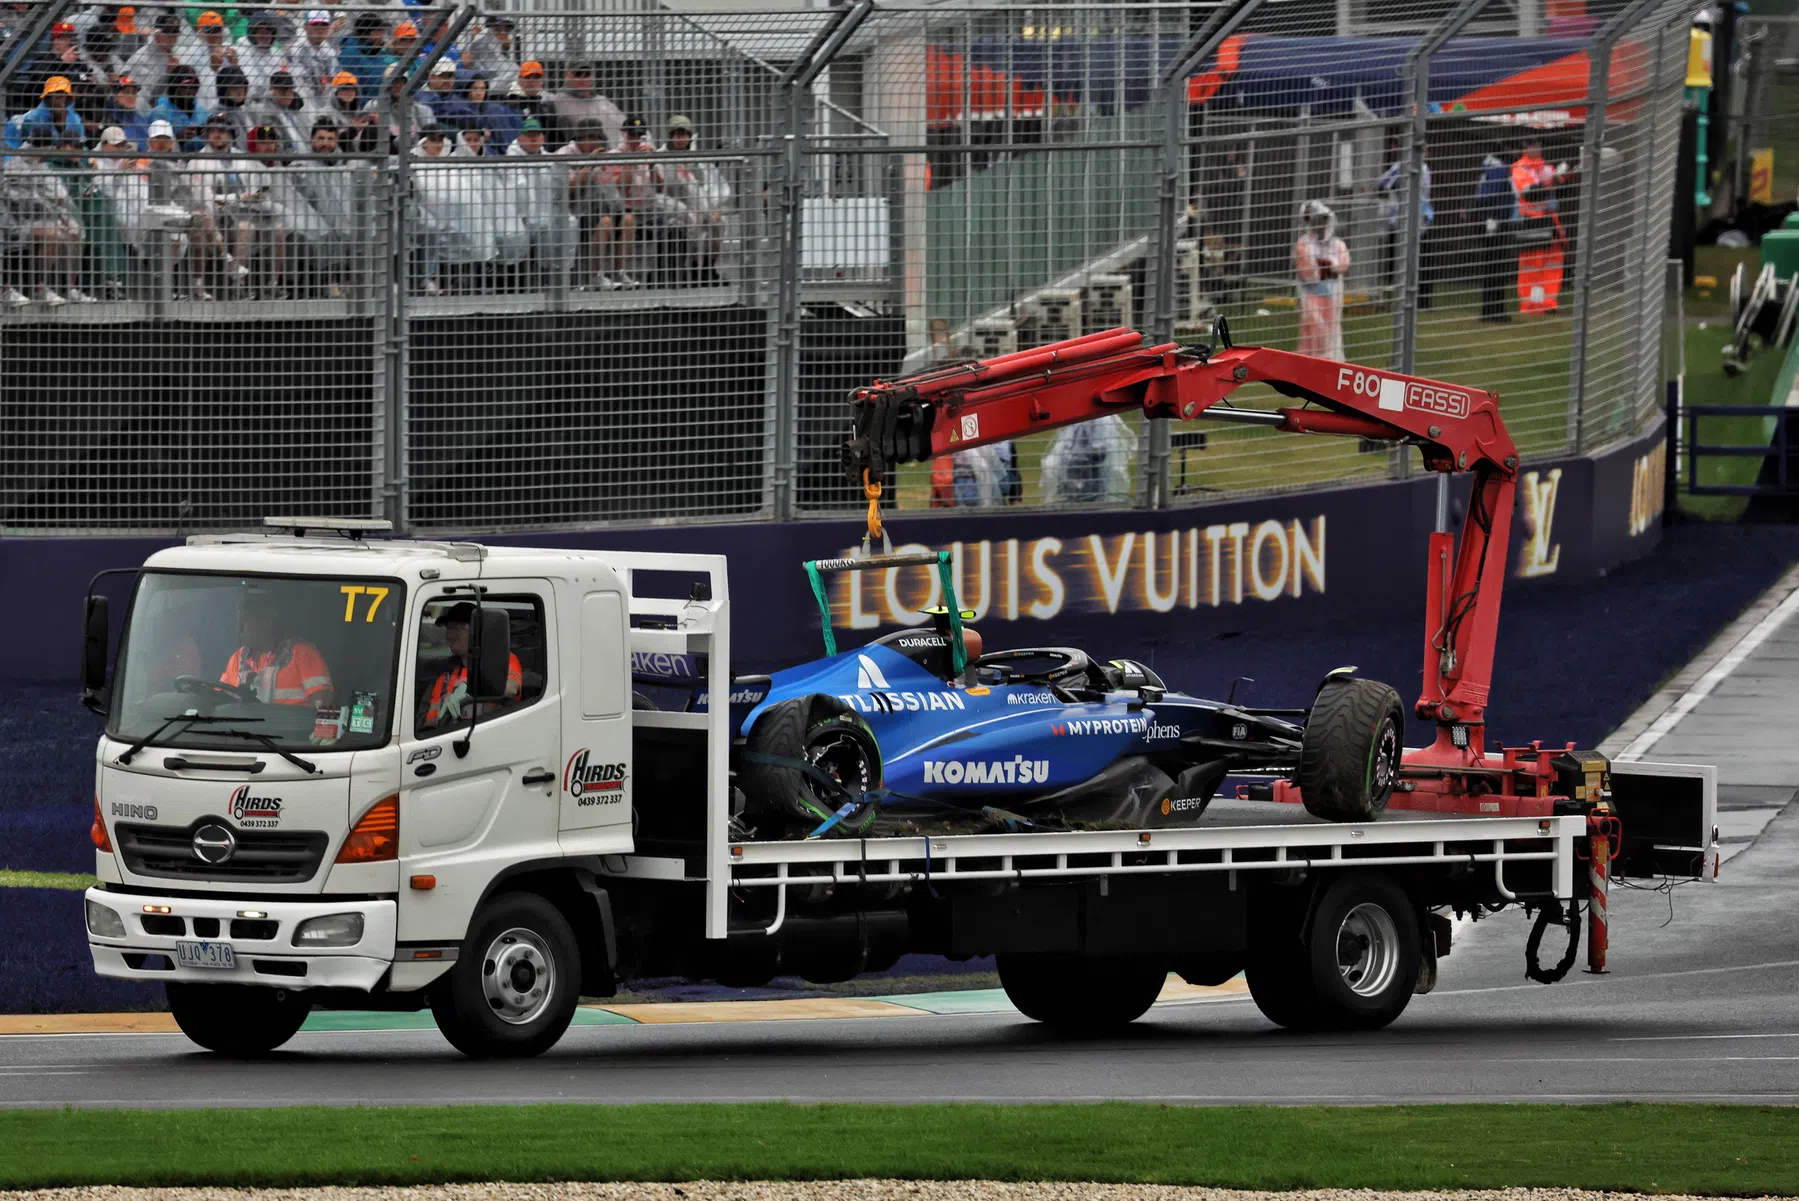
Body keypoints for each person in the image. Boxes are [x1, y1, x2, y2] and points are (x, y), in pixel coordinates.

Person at [220, 589, 337, 741]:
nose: (239, 630)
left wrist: (325, 732)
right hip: (245, 742)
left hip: (293, 744)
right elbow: (220, 699)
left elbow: (326, 700)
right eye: (239, 623)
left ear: (267, 622)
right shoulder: (238, 658)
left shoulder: (302, 653)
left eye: (245, 623)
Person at [2, 127, 95, 305]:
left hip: (45, 217)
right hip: (20, 220)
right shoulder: (16, 165)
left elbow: (60, 196)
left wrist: (61, 214)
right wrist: (50, 205)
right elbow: (17, 200)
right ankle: (41, 288)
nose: (52, 150)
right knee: (53, 233)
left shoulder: (43, 165)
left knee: (75, 230)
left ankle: (70, 288)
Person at [420, 601, 521, 727]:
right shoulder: (445, 676)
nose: (449, 635)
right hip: (450, 740)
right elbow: (430, 723)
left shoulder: (502, 659)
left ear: (478, 631)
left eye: (457, 628)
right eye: (448, 628)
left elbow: (511, 688)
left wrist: (469, 688)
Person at [656, 114, 730, 286]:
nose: (680, 139)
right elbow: (660, 189)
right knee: (690, 221)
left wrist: (713, 208)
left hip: (700, 206)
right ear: (670, 136)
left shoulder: (699, 158)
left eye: (684, 134)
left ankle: (706, 268)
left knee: (718, 224)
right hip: (672, 208)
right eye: (676, 134)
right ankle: (687, 268)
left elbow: (713, 184)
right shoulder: (661, 157)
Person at [557, 116, 624, 289]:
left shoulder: (606, 154)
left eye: (596, 138)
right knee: (605, 221)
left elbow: (616, 187)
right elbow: (569, 189)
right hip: (571, 211)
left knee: (627, 219)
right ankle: (596, 276)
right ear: (580, 138)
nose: (593, 142)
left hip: (600, 207)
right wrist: (590, 164)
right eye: (589, 137)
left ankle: (621, 274)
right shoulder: (565, 154)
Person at [1511, 137, 1569, 315]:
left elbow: (1561, 190)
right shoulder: (1519, 169)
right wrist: (1550, 181)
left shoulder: (1546, 168)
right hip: (1532, 222)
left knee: (1552, 264)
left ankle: (1549, 302)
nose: (1538, 148)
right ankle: (1531, 305)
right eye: (1534, 145)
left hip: (1551, 222)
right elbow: (1529, 194)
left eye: (1539, 145)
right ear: (1525, 148)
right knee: (1531, 266)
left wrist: (1560, 178)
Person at [1377, 147, 1433, 309]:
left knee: (1416, 261)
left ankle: (1417, 300)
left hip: (1416, 220)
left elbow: (1382, 185)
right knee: (1405, 261)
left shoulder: (1420, 168)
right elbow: (1383, 186)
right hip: (1405, 221)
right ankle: (1405, 299)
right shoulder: (1403, 167)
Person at [1293, 198, 1348, 361]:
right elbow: (1308, 271)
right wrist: (1329, 266)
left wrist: (1326, 266)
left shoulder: (1337, 244)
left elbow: (1342, 264)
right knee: (1312, 329)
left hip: (1332, 295)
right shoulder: (1304, 243)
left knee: (1332, 332)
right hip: (1311, 294)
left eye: (1324, 219)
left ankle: (1331, 363)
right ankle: (1308, 363)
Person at [1471, 148, 1515, 323]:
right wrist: (1491, 217)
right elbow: (1491, 195)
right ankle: (1493, 311)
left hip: (1490, 220)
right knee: (1496, 267)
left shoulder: (1490, 167)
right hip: (1495, 221)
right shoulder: (1498, 169)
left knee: (1493, 266)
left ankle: (1492, 310)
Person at [550, 61, 623, 150]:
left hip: (611, 154)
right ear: (568, 76)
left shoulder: (602, 101)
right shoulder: (560, 100)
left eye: (587, 74)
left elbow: (624, 124)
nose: (583, 78)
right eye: (578, 74)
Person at [456, 14, 519, 96]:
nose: (503, 34)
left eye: (506, 30)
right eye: (498, 30)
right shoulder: (476, 54)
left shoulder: (504, 56)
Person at [288, 10, 340, 109]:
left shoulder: (329, 50)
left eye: (324, 26)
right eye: (316, 25)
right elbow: (302, 85)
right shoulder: (298, 50)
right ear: (306, 27)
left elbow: (334, 79)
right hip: (304, 103)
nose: (320, 30)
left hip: (325, 102)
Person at [252, 70, 314, 153]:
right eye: (283, 91)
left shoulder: (295, 110)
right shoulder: (266, 115)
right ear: (272, 90)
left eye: (290, 91)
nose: (288, 94)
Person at [233, 9, 283, 99]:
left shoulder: (277, 55)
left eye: (268, 30)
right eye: (259, 30)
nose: (264, 34)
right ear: (252, 32)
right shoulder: (240, 51)